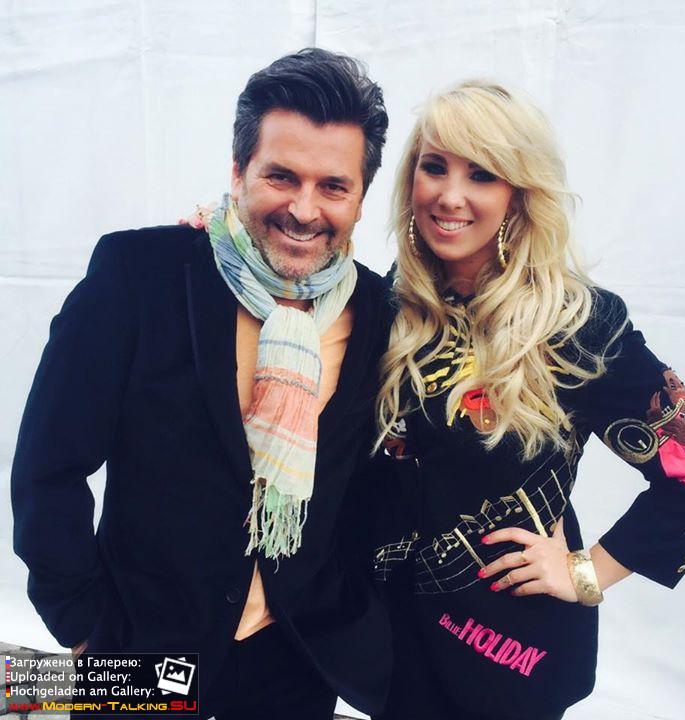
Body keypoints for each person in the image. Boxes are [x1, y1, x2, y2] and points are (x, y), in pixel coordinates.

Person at [11, 48, 393, 720]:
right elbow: (49, 465)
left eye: (333, 186)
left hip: (292, 660)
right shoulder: (140, 274)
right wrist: (83, 625)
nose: (304, 209)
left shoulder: (379, 314)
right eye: (281, 176)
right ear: (239, 171)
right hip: (138, 648)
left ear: (361, 197)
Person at [371, 81, 685, 720]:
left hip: (508, 646)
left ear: (519, 194)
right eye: (434, 166)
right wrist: (220, 243)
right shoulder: (401, 300)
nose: (449, 195)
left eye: (482, 174)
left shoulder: (575, 325)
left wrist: (587, 573)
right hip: (397, 634)